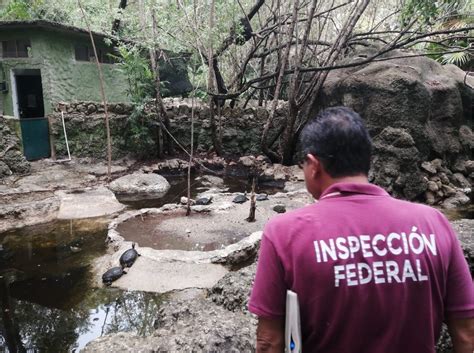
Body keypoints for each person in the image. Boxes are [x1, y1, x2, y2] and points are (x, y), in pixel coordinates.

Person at [248, 106, 474, 353]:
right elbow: (466, 334)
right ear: (368, 159)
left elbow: (269, 342)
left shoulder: (284, 233)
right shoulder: (433, 223)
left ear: (313, 165)